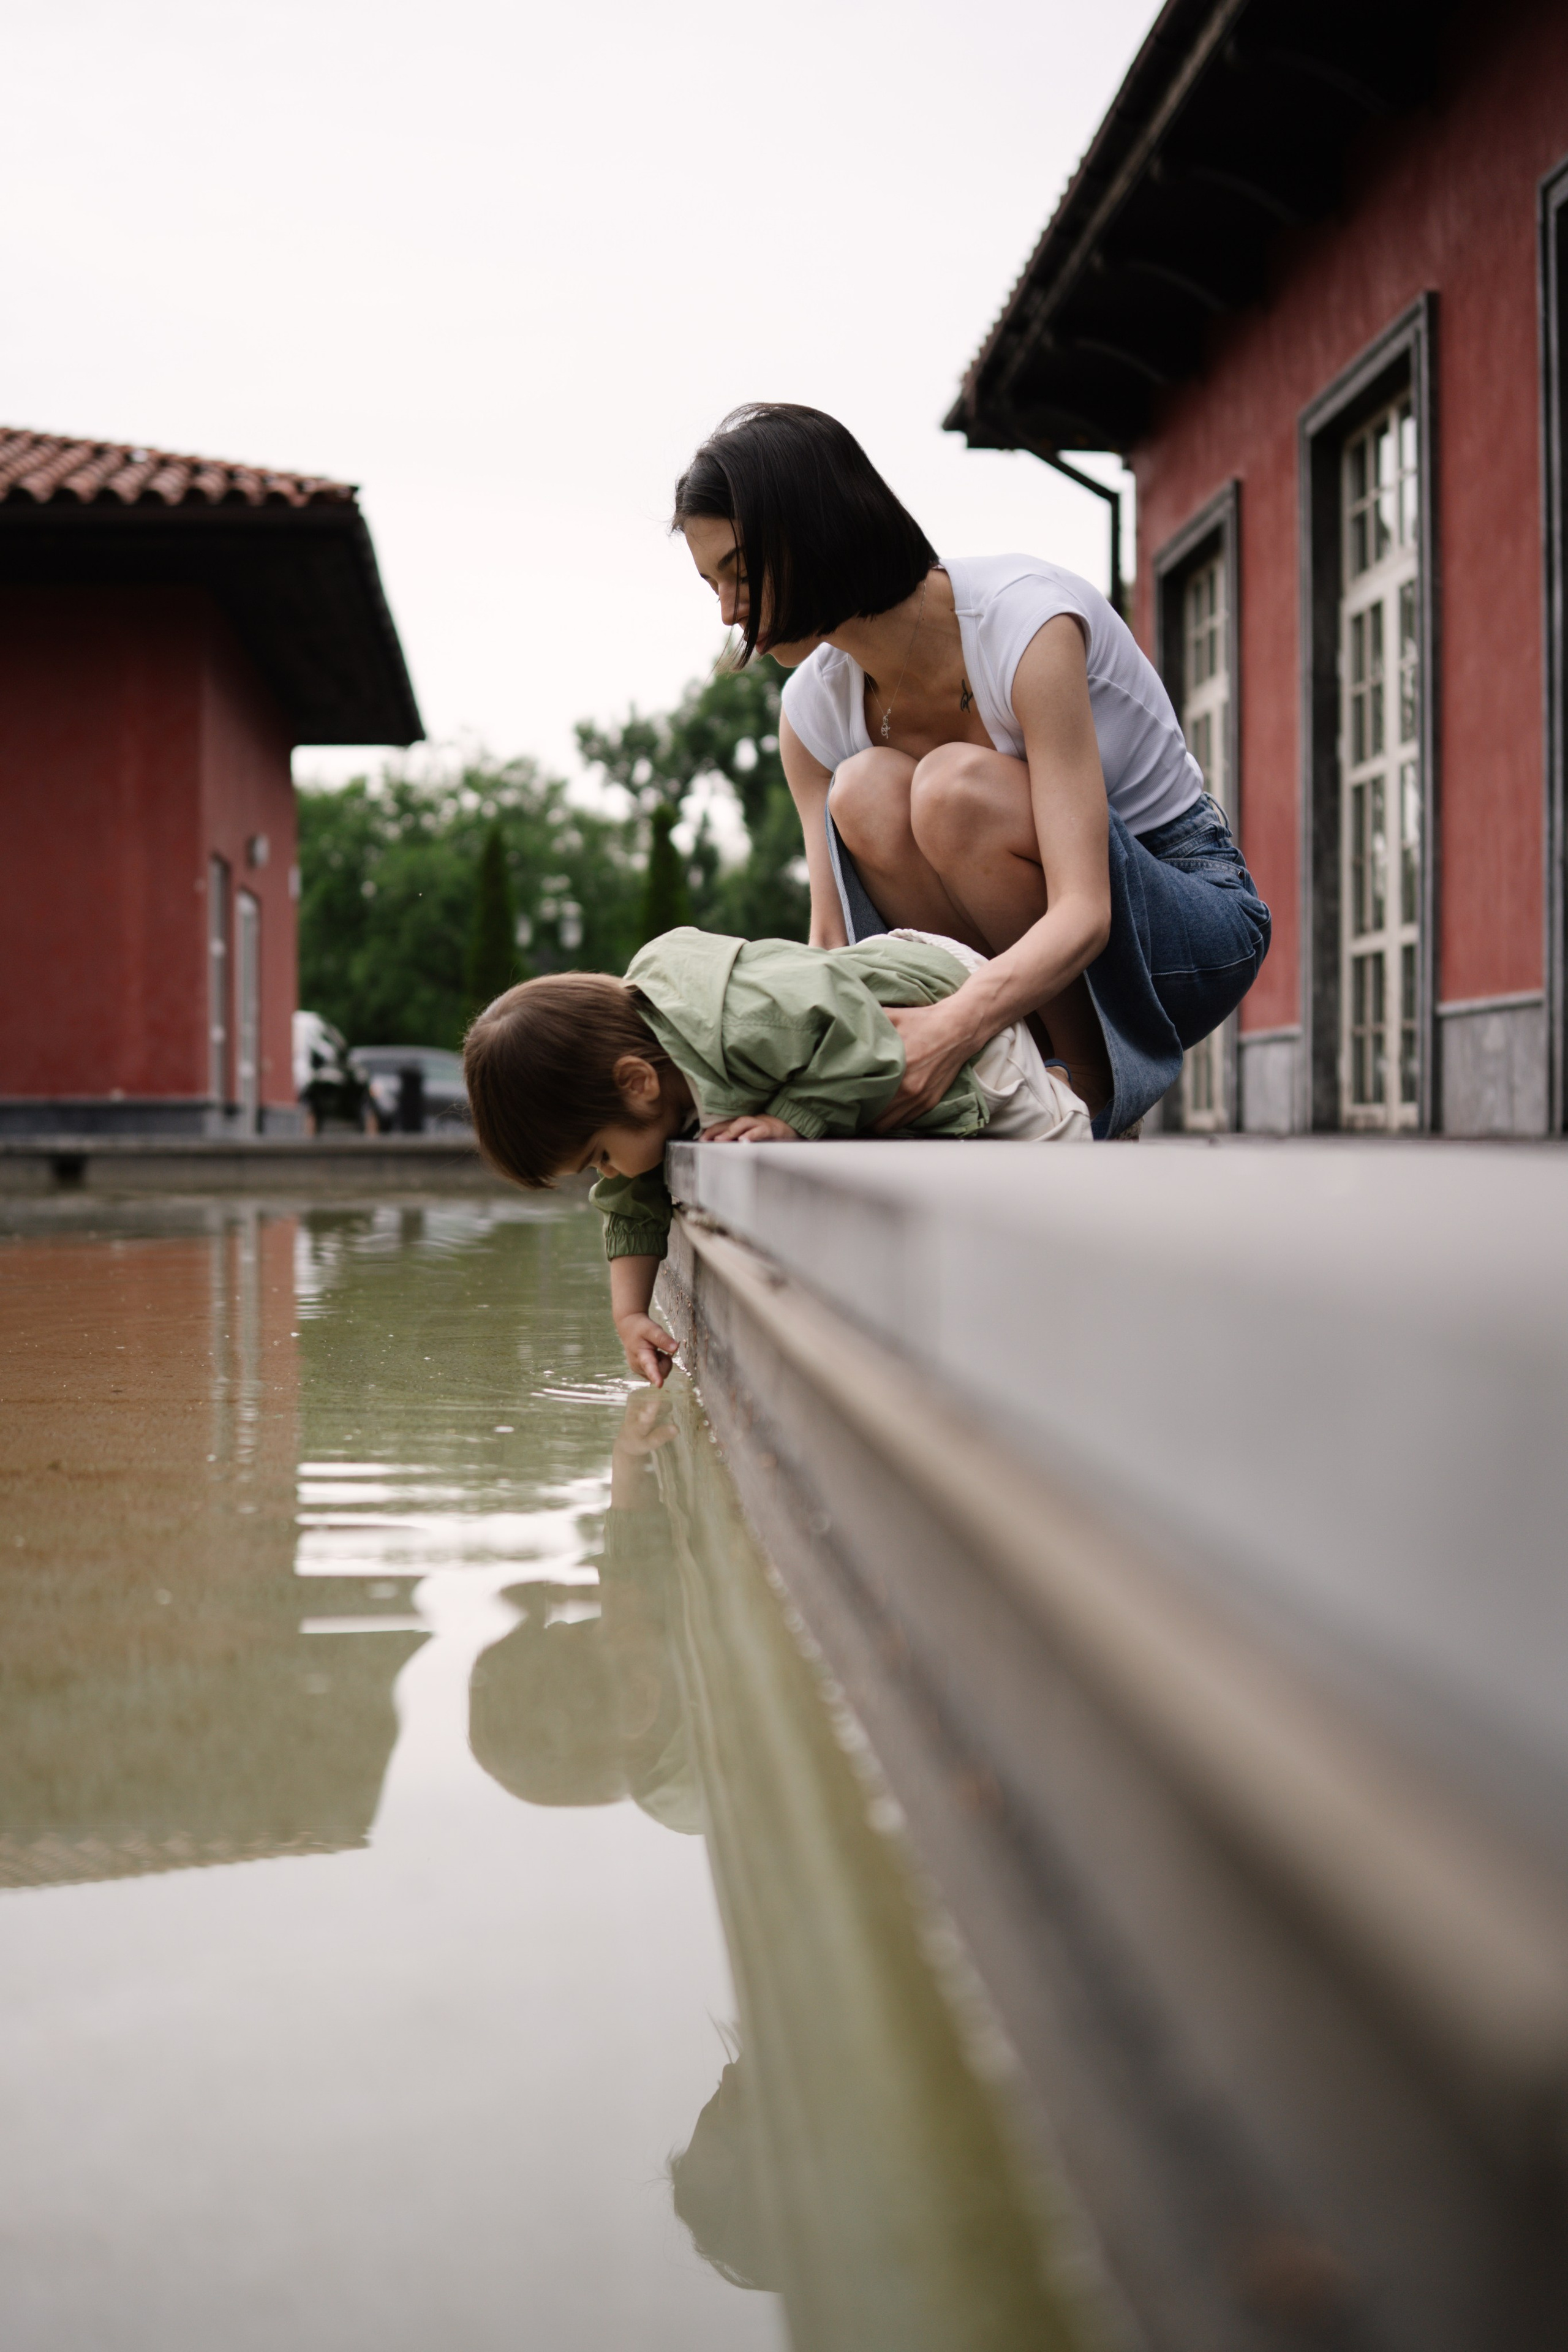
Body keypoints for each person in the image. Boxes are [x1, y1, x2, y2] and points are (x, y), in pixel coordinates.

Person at [672, 404, 1271, 1137]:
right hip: (1033, 967)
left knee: (953, 789)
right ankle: (1019, 1073)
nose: (731, 611)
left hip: (1182, 929)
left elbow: (1085, 912)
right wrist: (800, 1108)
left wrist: (951, 1029)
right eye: (712, 585)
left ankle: (1086, 1090)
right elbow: (830, 944)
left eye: (740, 571)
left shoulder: (1025, 626)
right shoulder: (810, 714)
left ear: (812, 527)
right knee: (862, 791)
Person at [462, 924, 1090, 1385]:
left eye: (599, 1155)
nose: (607, 1172)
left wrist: (793, 1120)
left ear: (638, 1083)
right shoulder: (647, 1075)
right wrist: (628, 1314)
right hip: (856, 1018)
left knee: (1057, 1155)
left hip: (933, 997)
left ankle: (1065, 1088)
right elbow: (630, 1198)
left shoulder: (745, 1024)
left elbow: (860, 1032)